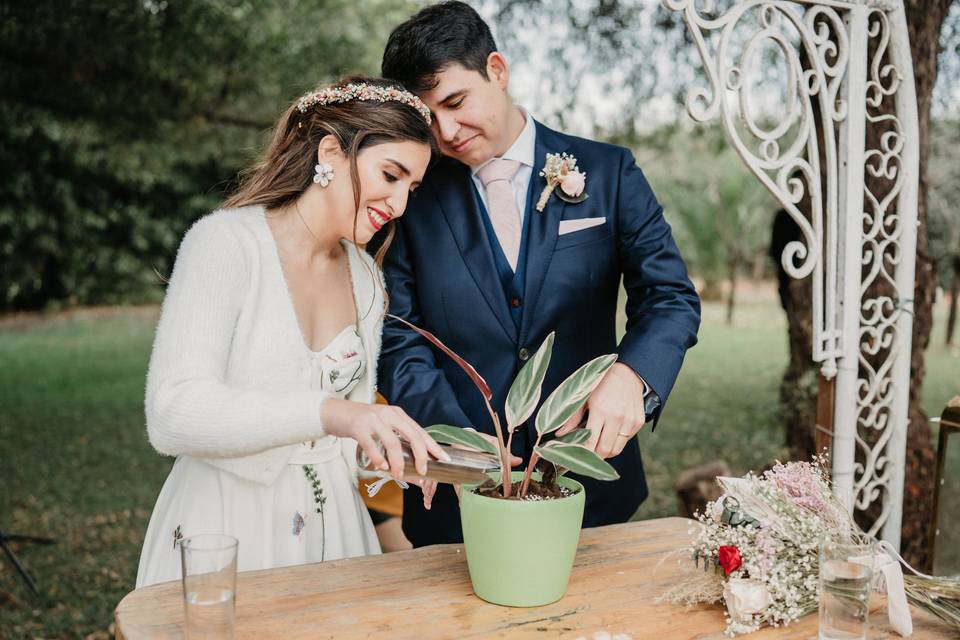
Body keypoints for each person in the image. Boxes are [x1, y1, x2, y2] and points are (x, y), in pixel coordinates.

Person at [376, 2, 702, 547]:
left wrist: (632, 376)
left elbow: (669, 297)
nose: (447, 132)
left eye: (455, 102)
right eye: (428, 118)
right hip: (458, 499)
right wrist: (458, 442)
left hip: (591, 486)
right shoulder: (411, 196)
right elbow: (398, 336)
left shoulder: (608, 172)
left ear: (497, 71)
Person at [136, 77, 447, 587]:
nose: (399, 205)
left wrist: (412, 459)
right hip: (226, 529)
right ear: (331, 152)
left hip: (337, 530)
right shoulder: (223, 245)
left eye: (411, 188)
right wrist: (331, 413)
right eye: (390, 175)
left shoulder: (366, 277)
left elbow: (347, 440)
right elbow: (171, 414)